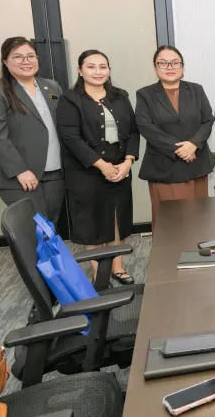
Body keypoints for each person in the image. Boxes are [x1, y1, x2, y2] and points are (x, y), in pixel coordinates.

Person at [57, 50, 139, 284]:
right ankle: (97, 271)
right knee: (91, 222)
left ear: (109, 70)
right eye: (91, 66)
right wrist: (102, 165)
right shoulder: (70, 99)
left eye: (103, 67)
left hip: (120, 168)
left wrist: (128, 161)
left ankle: (117, 267)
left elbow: (133, 131)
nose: (98, 71)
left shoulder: (120, 96)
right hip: (85, 171)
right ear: (80, 70)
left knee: (117, 218)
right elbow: (71, 138)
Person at [0, 37, 64, 221]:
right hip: (21, 176)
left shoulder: (52, 87)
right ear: (5, 61)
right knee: (34, 228)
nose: (26, 61)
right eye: (18, 57)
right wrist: (20, 171)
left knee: (50, 226)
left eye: (31, 56)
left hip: (54, 171)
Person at [135, 46, 215, 229]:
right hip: (164, 167)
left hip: (196, 165)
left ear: (182, 66)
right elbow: (146, 127)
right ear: (155, 67)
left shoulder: (196, 90)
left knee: (199, 219)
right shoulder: (145, 94)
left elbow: (208, 120)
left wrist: (193, 144)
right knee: (171, 223)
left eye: (175, 63)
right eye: (163, 63)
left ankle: (198, 248)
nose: (169, 67)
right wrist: (180, 148)